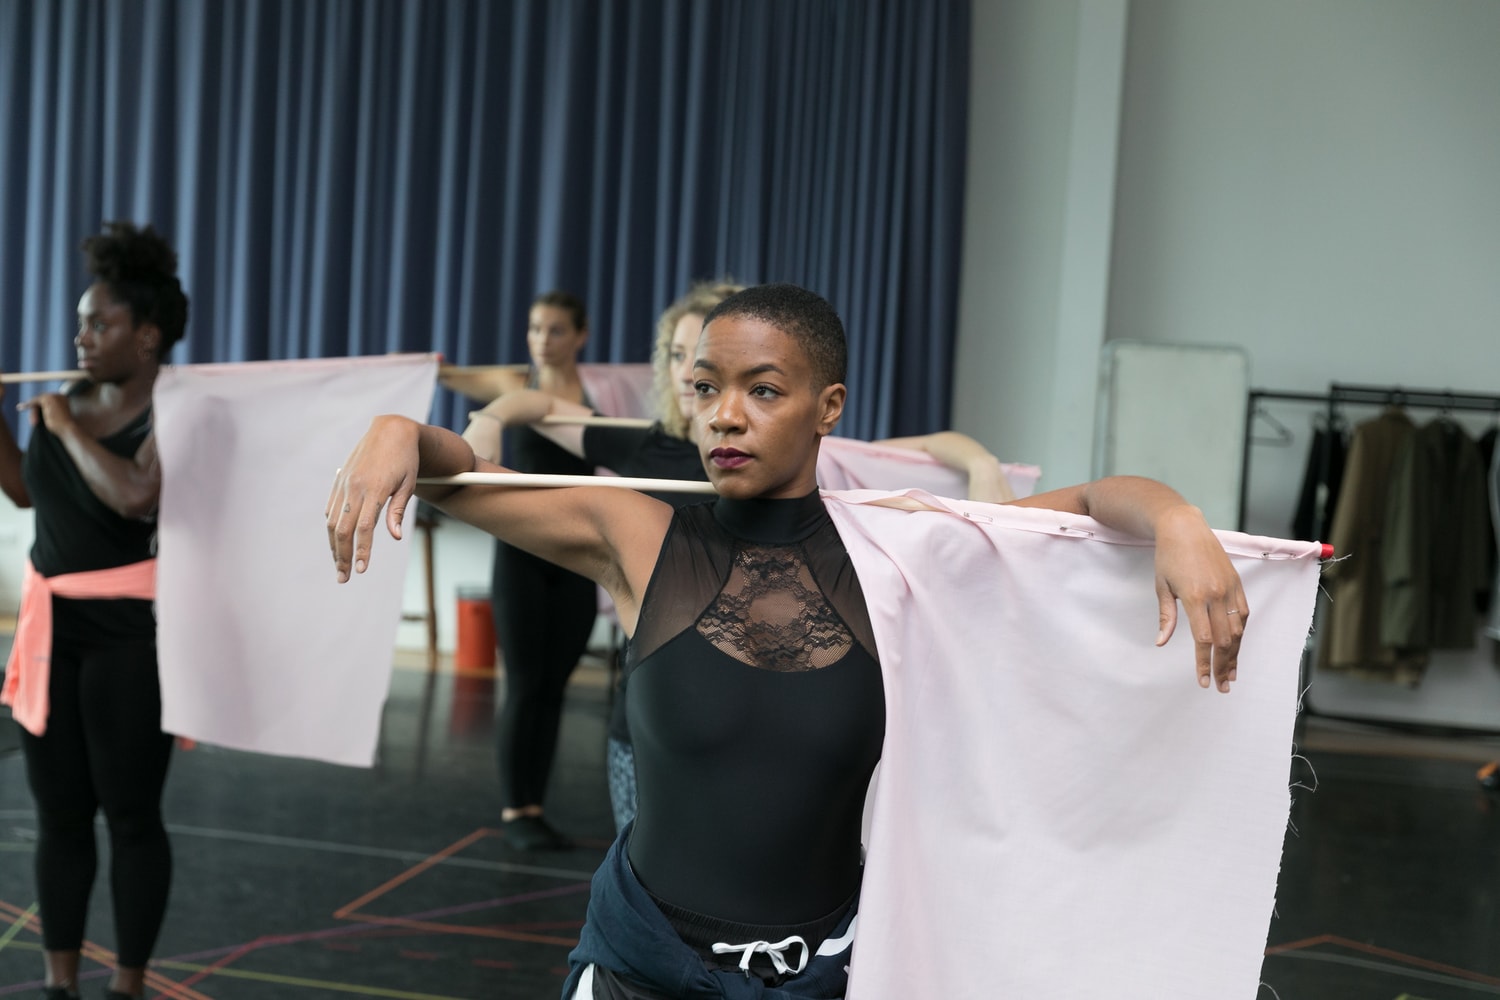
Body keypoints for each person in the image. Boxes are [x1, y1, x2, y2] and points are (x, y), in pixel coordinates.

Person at [326, 283, 1248, 999]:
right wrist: (396, 429)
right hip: (637, 966)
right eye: (705, 389)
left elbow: (1092, 505)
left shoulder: (900, 556)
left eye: (763, 390)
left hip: (821, 975)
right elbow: (463, 477)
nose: (724, 415)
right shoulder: (639, 537)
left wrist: (1176, 518)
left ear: (827, 406)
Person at [472, 279, 1020, 832]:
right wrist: (488, 419)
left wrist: (980, 463)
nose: (691, 376)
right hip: (662, 699)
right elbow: (540, 409)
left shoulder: (794, 452)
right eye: (686, 361)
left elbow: (925, 447)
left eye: (755, 385)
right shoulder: (646, 445)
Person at [0, 222, 188, 1000]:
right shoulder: (70, 399)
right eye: (80, 320)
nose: (80, 335)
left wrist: (62, 425)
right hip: (53, 632)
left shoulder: (175, 411)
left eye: (98, 322)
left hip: (130, 640)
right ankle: (60, 982)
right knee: (60, 816)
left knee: (132, 815)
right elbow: (26, 491)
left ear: (146, 337)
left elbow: (139, 494)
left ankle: (128, 984)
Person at [453, 290, 599, 851]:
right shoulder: (515, 387)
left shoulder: (599, 393)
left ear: (580, 336)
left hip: (578, 551)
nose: (543, 340)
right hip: (523, 553)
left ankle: (536, 805)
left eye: (556, 330)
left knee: (554, 685)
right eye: (535, 329)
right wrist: (434, 372)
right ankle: (518, 810)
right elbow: (460, 381)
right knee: (524, 682)